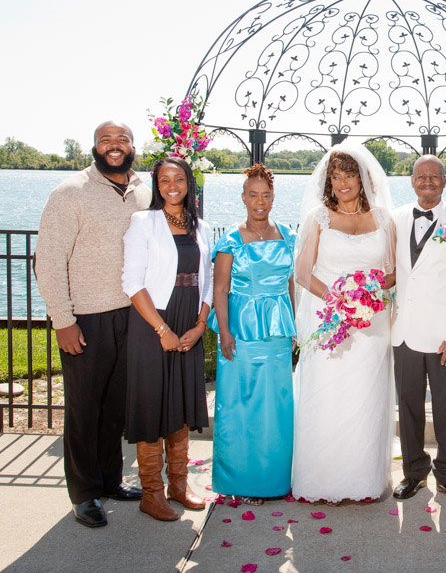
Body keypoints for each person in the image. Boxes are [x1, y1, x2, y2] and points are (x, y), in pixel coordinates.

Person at [35, 121, 150, 527]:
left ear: (133, 146)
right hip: (86, 317)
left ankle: (109, 480)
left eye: (122, 140)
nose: (114, 147)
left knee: (115, 406)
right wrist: (62, 320)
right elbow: (47, 261)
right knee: (85, 408)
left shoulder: (144, 190)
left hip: (132, 314)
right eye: (107, 140)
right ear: (95, 147)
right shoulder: (70, 194)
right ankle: (83, 493)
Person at [292, 143, 396, 503]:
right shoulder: (318, 219)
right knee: (328, 395)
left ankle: (363, 480)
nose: (343, 183)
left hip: (372, 325)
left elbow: (394, 272)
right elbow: (303, 273)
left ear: (363, 178)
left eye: (349, 175)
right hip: (328, 320)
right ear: (329, 182)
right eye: (336, 176)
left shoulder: (383, 219)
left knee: (366, 398)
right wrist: (340, 299)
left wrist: (367, 292)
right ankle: (322, 479)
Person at [122, 157, 213, 521]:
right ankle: (152, 492)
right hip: (153, 323)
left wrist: (202, 323)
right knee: (151, 405)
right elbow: (132, 282)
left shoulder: (201, 227)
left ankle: (178, 483)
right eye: (164, 180)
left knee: (179, 404)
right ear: (156, 185)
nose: (172, 185)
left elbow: (207, 278)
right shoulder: (143, 222)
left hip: (190, 321)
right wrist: (163, 330)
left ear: (189, 183)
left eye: (179, 179)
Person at [391, 155, 446, 506]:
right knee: (408, 407)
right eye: (420, 176)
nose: (427, 181)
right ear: (412, 181)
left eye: (434, 176)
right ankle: (413, 473)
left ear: (445, 181)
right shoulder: (394, 220)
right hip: (404, 333)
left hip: (445, 338)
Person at [210, 164, 296, 504]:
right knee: (239, 403)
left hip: (276, 331)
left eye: (266, 194)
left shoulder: (288, 235)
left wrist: (292, 327)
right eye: (253, 194)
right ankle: (242, 481)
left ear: (273, 197)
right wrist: (225, 333)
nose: (260, 201)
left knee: (275, 405)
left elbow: (290, 282)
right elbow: (219, 290)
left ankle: (274, 479)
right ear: (243, 197)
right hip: (242, 329)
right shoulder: (231, 239)